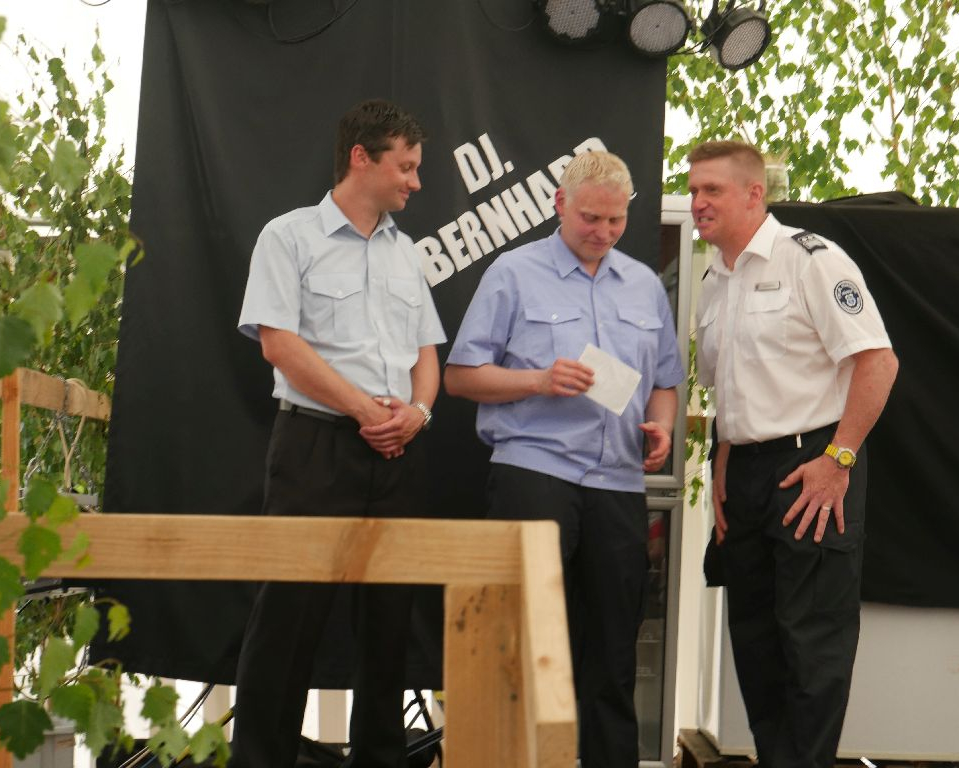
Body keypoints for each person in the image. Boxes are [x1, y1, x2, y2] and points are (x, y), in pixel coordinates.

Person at [444, 150, 684, 768]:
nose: (603, 232)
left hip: (618, 484)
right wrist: (538, 380)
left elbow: (665, 382)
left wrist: (660, 426)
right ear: (559, 204)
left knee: (613, 653)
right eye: (590, 218)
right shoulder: (513, 272)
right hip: (534, 472)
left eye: (615, 220)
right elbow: (460, 377)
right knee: (520, 644)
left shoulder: (644, 284)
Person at [231, 99, 446, 768]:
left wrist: (418, 413)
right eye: (405, 167)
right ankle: (259, 761)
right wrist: (364, 411)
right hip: (313, 451)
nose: (415, 182)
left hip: (397, 453)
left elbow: (427, 353)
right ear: (361, 158)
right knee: (286, 618)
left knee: (389, 622)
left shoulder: (407, 253)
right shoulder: (288, 236)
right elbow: (278, 344)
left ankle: (380, 760)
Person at [689, 140, 899, 768]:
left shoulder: (812, 260)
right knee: (755, 643)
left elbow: (878, 362)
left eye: (712, 190)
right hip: (744, 474)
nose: (698, 203)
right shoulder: (714, 280)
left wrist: (839, 460)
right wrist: (723, 464)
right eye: (694, 190)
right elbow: (729, 389)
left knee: (811, 644)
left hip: (812, 464)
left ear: (754, 194)